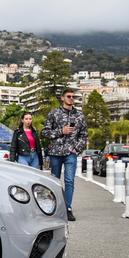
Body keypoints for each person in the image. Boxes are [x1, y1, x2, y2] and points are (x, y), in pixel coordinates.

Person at [42, 88, 88, 221]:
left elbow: (84, 135)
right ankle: (54, 209)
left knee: (69, 181)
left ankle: (68, 208)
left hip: (70, 153)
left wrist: (76, 148)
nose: (71, 98)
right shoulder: (54, 113)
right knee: (54, 181)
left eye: (73, 96)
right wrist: (61, 131)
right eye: (69, 96)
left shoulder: (79, 116)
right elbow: (45, 132)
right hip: (56, 152)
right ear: (62, 98)